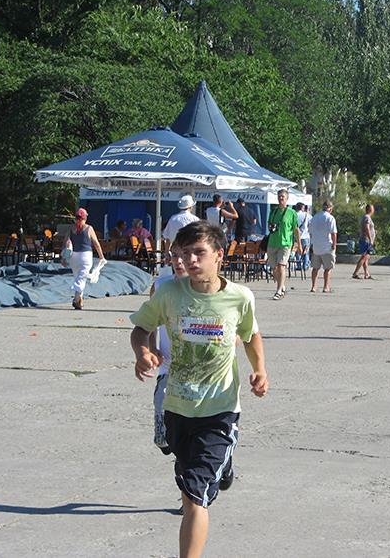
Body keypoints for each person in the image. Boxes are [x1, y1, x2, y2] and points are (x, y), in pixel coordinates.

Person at [130, 220, 269, 558]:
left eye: (198, 253)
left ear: (219, 254)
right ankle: (225, 466)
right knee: (188, 487)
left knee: (194, 496)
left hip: (220, 412)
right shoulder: (169, 293)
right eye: (184, 253)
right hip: (178, 408)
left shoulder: (240, 298)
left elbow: (250, 335)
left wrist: (260, 370)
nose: (190, 260)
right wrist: (142, 352)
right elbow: (140, 328)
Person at [150, 249, 188, 455]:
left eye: (184, 256)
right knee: (162, 440)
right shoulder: (160, 286)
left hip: (198, 374)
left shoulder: (208, 288)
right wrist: (150, 348)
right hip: (167, 367)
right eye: (175, 256)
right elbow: (149, 322)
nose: (179, 261)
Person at [63, 207, 105, 310]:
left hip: (73, 257)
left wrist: (63, 258)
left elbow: (65, 244)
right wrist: (101, 256)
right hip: (85, 256)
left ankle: (80, 302)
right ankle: (76, 298)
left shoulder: (71, 229)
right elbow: (96, 243)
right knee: (81, 278)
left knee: (78, 277)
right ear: (85, 218)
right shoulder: (89, 228)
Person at [266, 189, 301, 300]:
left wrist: (299, 245)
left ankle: (279, 291)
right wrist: (271, 227)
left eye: (283, 196)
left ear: (287, 198)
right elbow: (269, 224)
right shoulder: (273, 211)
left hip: (285, 243)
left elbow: (296, 229)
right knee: (274, 268)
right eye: (279, 196)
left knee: (281, 266)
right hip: (272, 242)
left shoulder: (292, 213)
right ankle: (282, 286)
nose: (281, 198)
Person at [308, 201, 337, 293]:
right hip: (327, 246)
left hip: (316, 246)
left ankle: (314, 286)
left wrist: (313, 242)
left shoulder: (315, 217)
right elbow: (333, 233)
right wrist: (334, 245)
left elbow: (310, 231)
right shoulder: (330, 218)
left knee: (315, 268)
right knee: (327, 268)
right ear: (330, 209)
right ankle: (326, 287)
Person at [162, 195, 200, 262]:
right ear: (190, 207)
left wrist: (167, 253)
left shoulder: (173, 219)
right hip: (190, 251)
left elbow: (168, 239)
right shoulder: (195, 219)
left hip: (176, 251)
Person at [352, 204, 376, 279]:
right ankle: (355, 273)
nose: (373, 210)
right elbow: (367, 228)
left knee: (366, 258)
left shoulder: (366, 217)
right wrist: (370, 239)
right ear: (370, 209)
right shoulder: (367, 217)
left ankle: (366, 274)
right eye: (373, 208)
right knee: (365, 256)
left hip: (365, 239)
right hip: (366, 240)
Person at [294, 202, 311, 270]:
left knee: (297, 251)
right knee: (306, 251)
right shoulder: (306, 215)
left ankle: (299, 265)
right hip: (305, 236)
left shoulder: (294, 215)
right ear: (303, 208)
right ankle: (305, 265)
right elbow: (311, 223)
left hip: (296, 236)